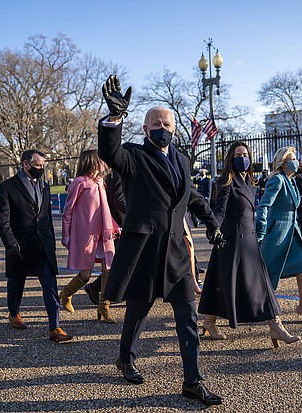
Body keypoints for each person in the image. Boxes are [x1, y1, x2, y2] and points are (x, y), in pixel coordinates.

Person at [98, 75, 223, 406]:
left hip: (176, 254)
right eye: (156, 123)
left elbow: (190, 196)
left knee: (188, 317)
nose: (162, 127)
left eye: (167, 123)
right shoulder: (133, 156)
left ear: (174, 127)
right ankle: (125, 358)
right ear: (145, 128)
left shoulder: (182, 159)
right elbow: (110, 153)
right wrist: (113, 119)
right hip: (144, 252)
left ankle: (193, 381)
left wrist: (211, 221)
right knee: (138, 312)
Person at [199, 141, 301, 346]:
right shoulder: (226, 180)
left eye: (245, 154)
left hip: (249, 238)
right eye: (238, 154)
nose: (242, 158)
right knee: (255, 284)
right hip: (234, 240)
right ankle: (275, 326)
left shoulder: (249, 181)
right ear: (231, 158)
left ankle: (209, 321)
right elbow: (219, 210)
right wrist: (214, 228)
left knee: (221, 281)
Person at [0, 149, 72, 342]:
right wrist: (10, 243)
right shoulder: (7, 187)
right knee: (16, 283)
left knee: (50, 285)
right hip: (19, 244)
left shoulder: (44, 186)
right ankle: (14, 313)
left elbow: (44, 216)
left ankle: (54, 327)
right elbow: (2, 219)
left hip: (43, 244)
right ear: (25, 164)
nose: (41, 168)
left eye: (43, 165)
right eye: (38, 165)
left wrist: (51, 242)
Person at [256, 147, 302, 324]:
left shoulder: (292, 181)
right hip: (277, 234)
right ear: (283, 162)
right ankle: (254, 307)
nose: (296, 162)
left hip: (292, 232)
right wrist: (261, 229)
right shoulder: (277, 180)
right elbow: (263, 206)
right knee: (267, 273)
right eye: (292, 159)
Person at [59, 149, 120, 324]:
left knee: (108, 269)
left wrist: (115, 226)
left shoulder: (101, 182)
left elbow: (104, 209)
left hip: (104, 233)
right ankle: (65, 294)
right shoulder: (80, 182)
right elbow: (68, 211)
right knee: (85, 274)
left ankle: (104, 307)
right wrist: (66, 235)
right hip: (86, 234)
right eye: (101, 160)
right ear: (92, 162)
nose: (104, 163)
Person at [83, 168, 126, 306]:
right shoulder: (119, 174)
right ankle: (95, 289)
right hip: (120, 224)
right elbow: (118, 201)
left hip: (116, 223)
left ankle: (96, 289)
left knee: (119, 262)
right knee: (120, 263)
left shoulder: (115, 174)